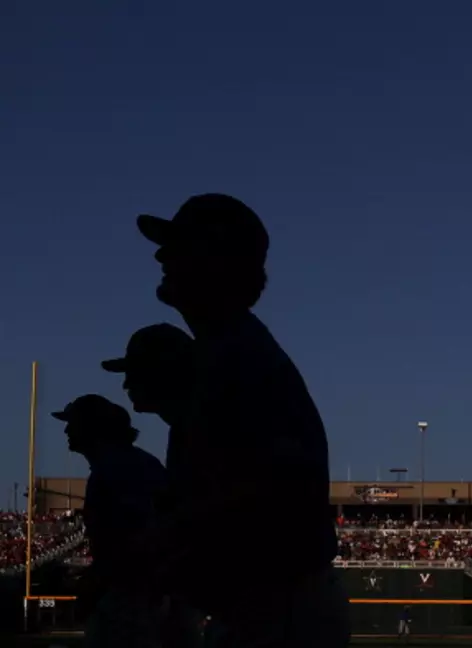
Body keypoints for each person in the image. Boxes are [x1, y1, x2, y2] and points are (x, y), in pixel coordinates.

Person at [135, 193, 349, 647]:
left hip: (279, 604)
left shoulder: (240, 357)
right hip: (266, 603)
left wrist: (181, 527)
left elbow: (282, 483)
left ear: (218, 262)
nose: (160, 255)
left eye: (178, 245)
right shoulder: (226, 350)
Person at [101, 323, 203, 648]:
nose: (127, 384)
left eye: (136, 372)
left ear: (165, 373)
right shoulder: (186, 425)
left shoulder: (207, 423)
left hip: (271, 596)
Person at [53, 394, 168, 648]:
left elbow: (137, 537)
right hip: (145, 592)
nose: (66, 430)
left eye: (73, 423)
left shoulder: (116, 468)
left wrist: (98, 581)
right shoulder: (132, 462)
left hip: (135, 595)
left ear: (93, 428)